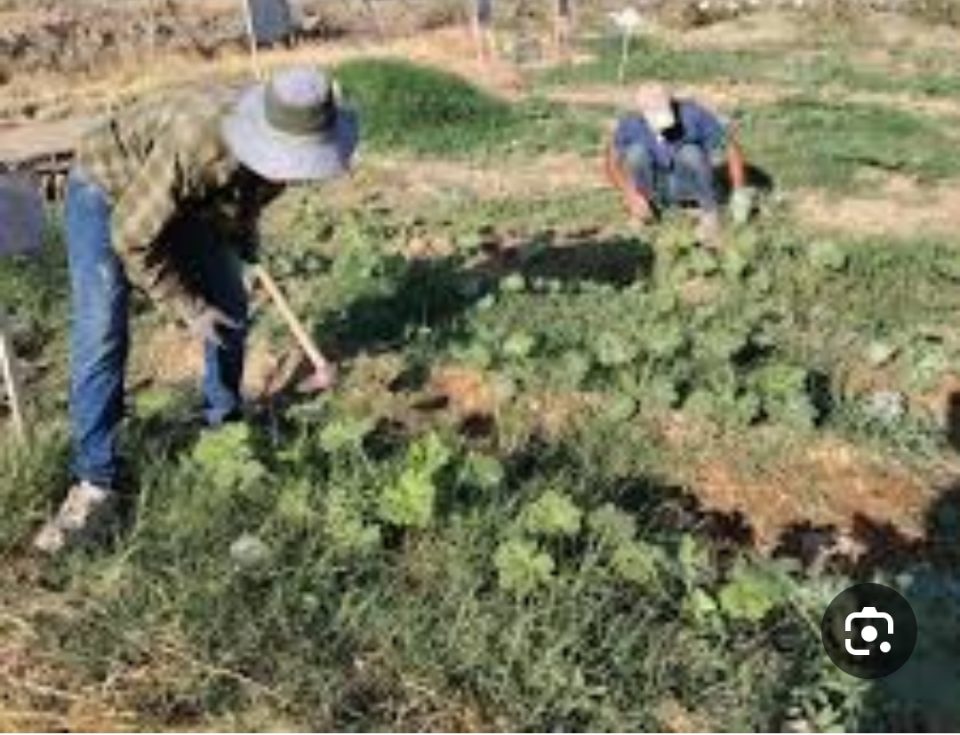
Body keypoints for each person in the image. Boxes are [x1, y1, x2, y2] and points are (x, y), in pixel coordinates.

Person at [33, 66, 358, 554]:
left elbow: (242, 197)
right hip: (108, 187)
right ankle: (95, 479)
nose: (294, 171)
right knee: (103, 329)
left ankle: (224, 425)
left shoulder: (279, 134)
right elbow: (132, 237)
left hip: (180, 191)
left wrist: (243, 243)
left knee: (229, 301)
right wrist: (187, 307)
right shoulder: (197, 146)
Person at [605, 84, 754, 246]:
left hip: (685, 183)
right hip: (656, 186)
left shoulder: (693, 114)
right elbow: (612, 162)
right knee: (636, 153)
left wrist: (739, 190)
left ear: (672, 104)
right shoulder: (630, 124)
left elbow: (729, 147)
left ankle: (709, 213)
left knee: (690, 152)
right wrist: (630, 194)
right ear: (642, 113)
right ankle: (645, 210)